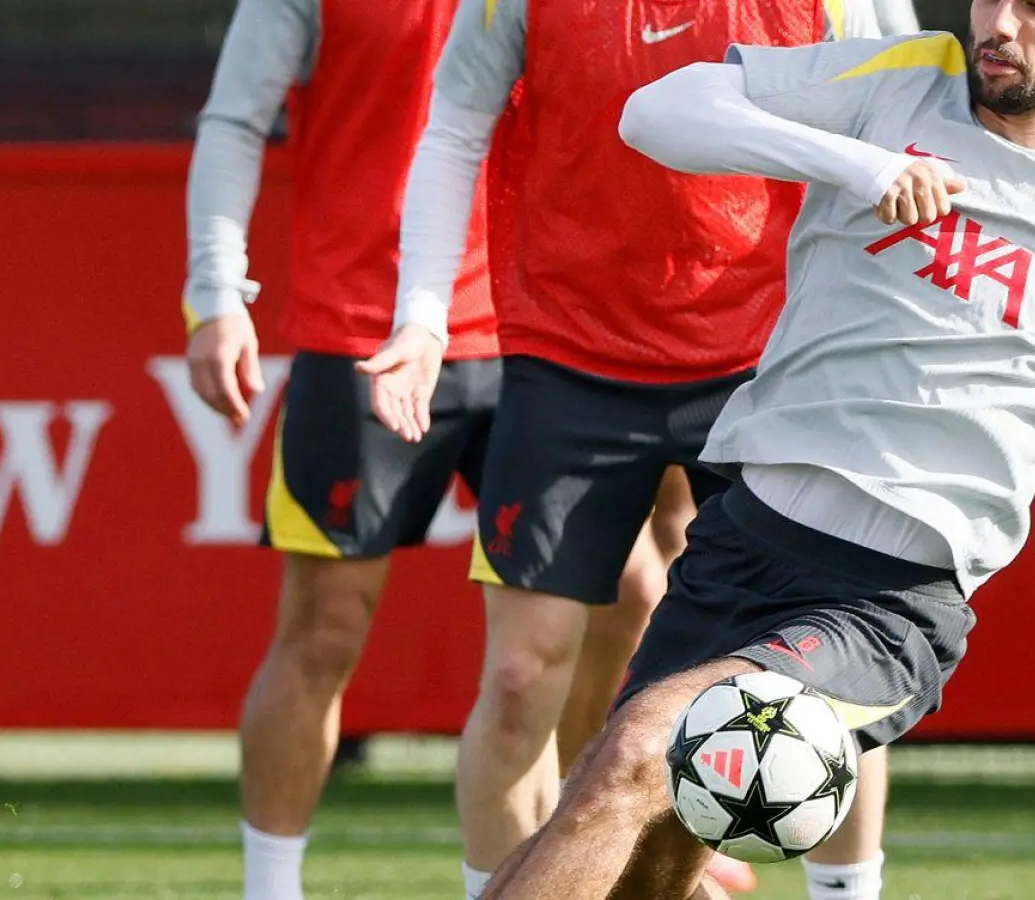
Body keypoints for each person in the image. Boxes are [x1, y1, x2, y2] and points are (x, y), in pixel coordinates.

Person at [476, 1, 1035, 897]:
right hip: (741, 544)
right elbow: (654, 114)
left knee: (648, 749)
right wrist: (859, 165)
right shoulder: (899, 81)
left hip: (886, 605)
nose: (998, 23)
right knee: (636, 834)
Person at [361, 1, 924, 896]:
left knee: (817, 677)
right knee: (516, 678)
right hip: (565, 352)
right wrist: (424, 317)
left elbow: (907, 135)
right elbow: (456, 126)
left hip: (769, 356)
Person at [180, 2, 688, 898]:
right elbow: (233, 116)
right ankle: (271, 888)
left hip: (545, 334)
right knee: (323, 630)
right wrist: (216, 291)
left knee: (624, 604)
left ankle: (577, 861)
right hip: (363, 334)